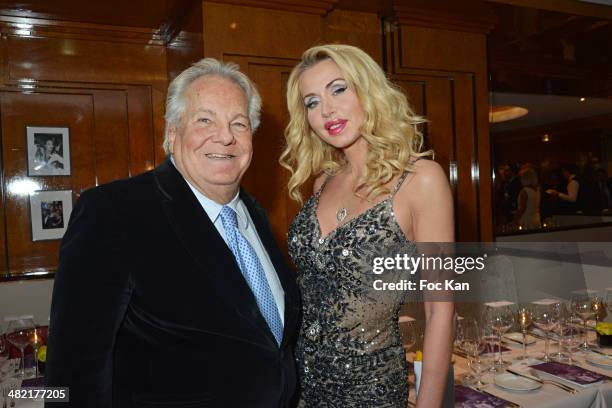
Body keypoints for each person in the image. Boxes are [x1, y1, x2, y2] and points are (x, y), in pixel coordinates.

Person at [45, 59, 300, 407]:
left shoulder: (254, 214)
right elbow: (71, 377)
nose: (225, 136)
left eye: (238, 123)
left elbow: (268, 345)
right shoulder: (113, 212)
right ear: (173, 132)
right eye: (204, 119)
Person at [280, 44, 454, 407]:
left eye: (338, 89)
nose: (326, 109)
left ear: (368, 90)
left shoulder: (421, 180)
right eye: (311, 102)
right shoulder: (323, 182)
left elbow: (441, 310)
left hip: (369, 391)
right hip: (300, 385)